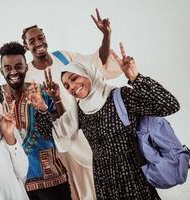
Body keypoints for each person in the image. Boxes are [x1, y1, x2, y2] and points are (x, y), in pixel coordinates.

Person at [53, 43, 180, 200]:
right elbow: (57, 132)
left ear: (87, 73)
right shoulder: (80, 111)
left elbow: (169, 106)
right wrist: (44, 105)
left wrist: (135, 77)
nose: (72, 87)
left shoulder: (121, 97)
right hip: (104, 184)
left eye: (74, 78)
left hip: (134, 181)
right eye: (67, 86)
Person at [21, 9, 122, 200]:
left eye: (40, 37)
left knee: (94, 177)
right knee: (72, 186)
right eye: (31, 41)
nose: (38, 43)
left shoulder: (63, 57)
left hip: (82, 127)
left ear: (45, 38)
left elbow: (96, 62)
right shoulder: (27, 73)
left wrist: (106, 34)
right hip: (58, 138)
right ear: (26, 46)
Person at [0, 42, 72, 200]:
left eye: (18, 66)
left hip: (53, 180)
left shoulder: (42, 91)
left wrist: (56, 99)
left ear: (26, 67)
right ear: (1, 70)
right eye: (8, 68)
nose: (13, 72)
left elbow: (63, 128)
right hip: (17, 185)